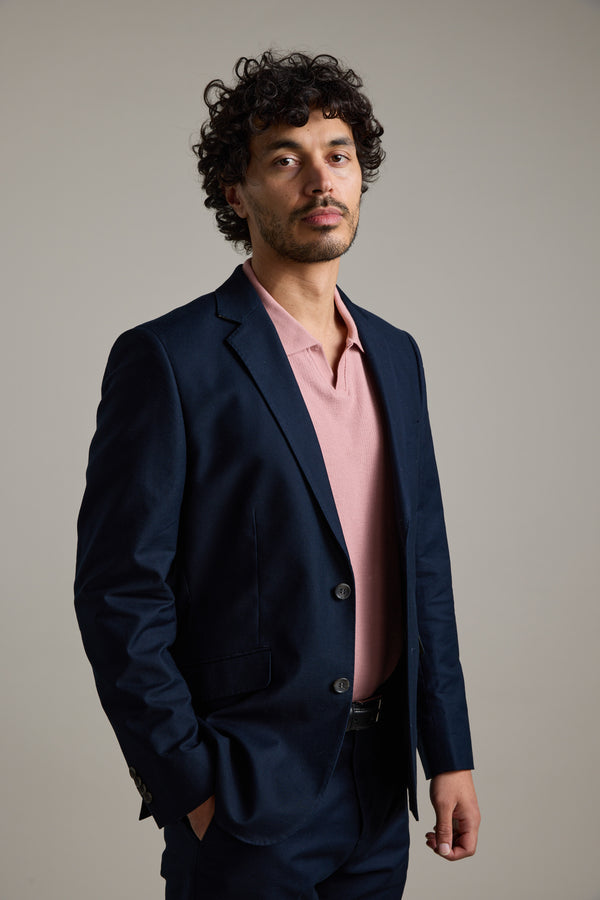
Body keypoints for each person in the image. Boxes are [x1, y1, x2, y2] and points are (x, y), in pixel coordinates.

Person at [75, 51, 480, 899]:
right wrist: (191, 784)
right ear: (237, 192)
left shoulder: (396, 357)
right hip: (246, 794)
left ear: (361, 176)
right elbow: (119, 592)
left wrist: (448, 756)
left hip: (379, 794)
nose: (319, 178)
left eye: (337, 153)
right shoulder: (169, 359)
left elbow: (423, 570)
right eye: (284, 157)